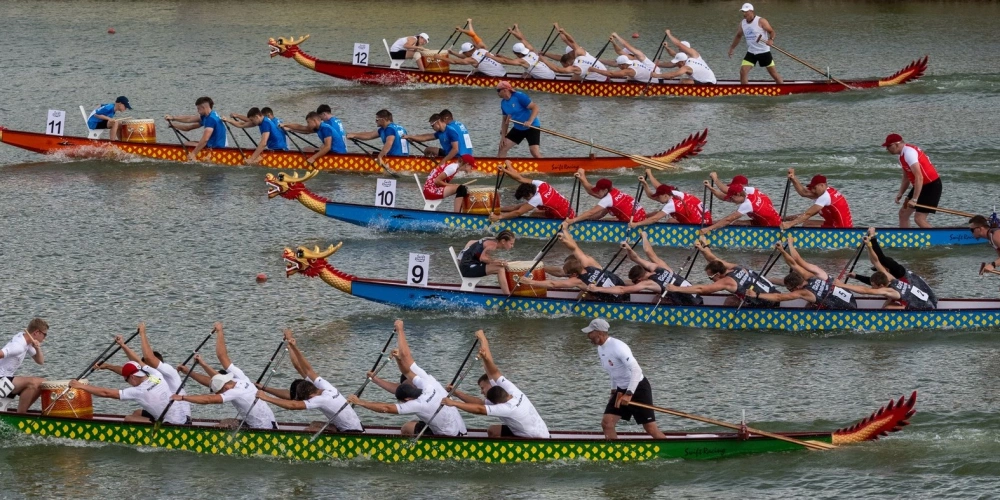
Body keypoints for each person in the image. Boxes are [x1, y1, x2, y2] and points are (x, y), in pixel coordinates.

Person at [348, 320, 467, 437]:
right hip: (462, 430)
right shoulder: (428, 384)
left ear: (408, 398)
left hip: (451, 436)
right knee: (413, 423)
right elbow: (406, 371)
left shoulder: (418, 404)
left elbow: (386, 408)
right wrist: (397, 360)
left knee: (406, 428)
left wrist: (360, 402)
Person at [442, 330, 549, 438]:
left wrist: (453, 403)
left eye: (482, 388)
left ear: (491, 386)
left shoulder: (508, 408)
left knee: (493, 430)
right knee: (493, 430)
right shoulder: (512, 392)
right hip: (530, 430)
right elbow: (493, 372)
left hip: (537, 439)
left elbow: (480, 408)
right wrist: (483, 340)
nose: (481, 391)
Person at [172, 322, 277, 429]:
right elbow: (222, 360)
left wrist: (182, 397)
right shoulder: (240, 378)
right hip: (271, 422)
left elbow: (208, 399)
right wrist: (194, 369)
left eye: (220, 392)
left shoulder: (234, 392)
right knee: (227, 421)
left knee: (221, 426)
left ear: (225, 388)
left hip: (264, 429)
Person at [255, 329, 363, 433]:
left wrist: (266, 398)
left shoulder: (321, 399)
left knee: (309, 431)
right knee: (315, 424)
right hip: (354, 426)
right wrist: (292, 346)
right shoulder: (324, 386)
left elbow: (293, 405)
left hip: (352, 432)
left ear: (310, 396)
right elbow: (303, 368)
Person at [582, 319, 665, 440]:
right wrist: (613, 391)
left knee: (650, 428)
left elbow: (637, 371)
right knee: (607, 423)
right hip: (621, 390)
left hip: (638, 388)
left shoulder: (618, 347)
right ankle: (614, 453)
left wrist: (629, 394)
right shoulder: (601, 349)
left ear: (599, 333)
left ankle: (673, 449)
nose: (588, 336)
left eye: (590, 333)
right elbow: (613, 371)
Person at [98, 323, 193, 421]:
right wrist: (110, 363)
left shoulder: (169, 372)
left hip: (180, 416)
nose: (142, 370)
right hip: (165, 411)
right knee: (137, 413)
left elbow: (148, 357)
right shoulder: (153, 376)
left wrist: (142, 333)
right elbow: (132, 371)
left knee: (129, 419)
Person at [521, 225, 629, 302]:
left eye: (567, 275)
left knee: (585, 293)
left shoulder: (578, 281)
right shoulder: (589, 263)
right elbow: (574, 248)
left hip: (616, 302)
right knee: (584, 292)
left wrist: (529, 282)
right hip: (624, 292)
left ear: (573, 275)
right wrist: (564, 233)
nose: (567, 277)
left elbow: (552, 284)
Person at [591, 231, 702, 305]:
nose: (635, 283)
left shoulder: (649, 283)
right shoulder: (659, 268)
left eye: (635, 282)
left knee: (657, 299)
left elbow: (622, 290)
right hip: (697, 297)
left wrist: (597, 289)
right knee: (660, 295)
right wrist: (638, 241)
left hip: (691, 304)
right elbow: (645, 254)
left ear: (639, 280)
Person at [746, 236, 857, 309]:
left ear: (798, 286)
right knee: (812, 303)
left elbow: (779, 297)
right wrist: (782, 250)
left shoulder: (804, 292)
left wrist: (757, 295)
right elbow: (793, 264)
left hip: (845, 309)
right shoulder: (811, 276)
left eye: (790, 289)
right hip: (850, 298)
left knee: (809, 306)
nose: (790, 291)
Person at [839, 228, 937, 310]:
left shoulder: (891, 287)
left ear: (881, 285)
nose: (872, 287)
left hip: (926, 308)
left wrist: (841, 285)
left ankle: (899, 311)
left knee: (888, 308)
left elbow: (865, 290)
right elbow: (876, 261)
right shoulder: (890, 278)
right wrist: (868, 246)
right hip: (927, 300)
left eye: (874, 286)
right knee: (889, 300)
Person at [667, 239, 779, 308]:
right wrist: (702, 249)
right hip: (775, 294)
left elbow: (702, 289)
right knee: (736, 296)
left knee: (730, 301)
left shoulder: (727, 281)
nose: (711, 280)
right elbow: (714, 259)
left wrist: (676, 289)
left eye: (711, 278)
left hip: (767, 303)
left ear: (718, 275)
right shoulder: (737, 268)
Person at [71, 360, 189, 424]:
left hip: (172, 425)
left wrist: (80, 386)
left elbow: (106, 393)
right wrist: (108, 366)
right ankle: (156, 421)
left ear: (132, 377)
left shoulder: (139, 391)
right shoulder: (156, 375)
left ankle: (154, 428)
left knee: (129, 418)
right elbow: (136, 361)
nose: (127, 383)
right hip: (183, 418)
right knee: (137, 413)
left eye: (126, 380)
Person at [883, 133, 942, 228]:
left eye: (889, 146)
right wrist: (900, 193)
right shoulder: (901, 155)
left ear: (896, 144)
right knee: (903, 214)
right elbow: (906, 177)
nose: (887, 149)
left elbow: (919, 177)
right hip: (921, 186)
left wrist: (914, 199)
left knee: (919, 218)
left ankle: (938, 240)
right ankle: (904, 240)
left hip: (931, 186)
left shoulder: (909, 153)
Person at [490, 161, 575, 221]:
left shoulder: (537, 198)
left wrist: (499, 217)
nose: (527, 200)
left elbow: (517, 212)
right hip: (569, 209)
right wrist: (506, 168)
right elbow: (520, 178)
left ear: (530, 194)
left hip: (564, 217)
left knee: (533, 214)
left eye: (526, 198)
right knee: (536, 212)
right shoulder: (542, 184)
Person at [727, 3, 783, 85]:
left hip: (763, 51)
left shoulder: (761, 21)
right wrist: (732, 48)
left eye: (746, 12)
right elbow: (738, 36)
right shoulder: (743, 23)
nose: (744, 14)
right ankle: (745, 92)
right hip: (751, 52)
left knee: (773, 74)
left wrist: (771, 39)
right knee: (743, 71)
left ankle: (783, 88)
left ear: (751, 11)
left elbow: (772, 31)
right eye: (743, 12)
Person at [564, 170, 646, 225]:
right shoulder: (615, 191)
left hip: (634, 221)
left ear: (605, 190)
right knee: (606, 218)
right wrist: (581, 178)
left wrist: (573, 221)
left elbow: (590, 212)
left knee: (606, 219)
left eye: (599, 190)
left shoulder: (607, 199)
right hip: (641, 215)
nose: (597, 192)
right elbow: (600, 213)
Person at [633, 169, 711, 227]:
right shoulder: (675, 193)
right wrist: (646, 181)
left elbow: (655, 219)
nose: (658, 199)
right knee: (670, 220)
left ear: (665, 195)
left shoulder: (671, 205)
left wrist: (636, 224)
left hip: (697, 227)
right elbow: (658, 188)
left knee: (666, 219)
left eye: (659, 197)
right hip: (706, 218)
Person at [0, 318, 47, 414]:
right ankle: (21, 415)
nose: (45, 338)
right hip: (1, 379)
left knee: (42, 383)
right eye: (44, 334)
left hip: (6, 379)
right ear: (36, 332)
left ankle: (22, 412)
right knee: (32, 383)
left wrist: (37, 348)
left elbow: (40, 361)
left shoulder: (26, 340)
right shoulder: (18, 346)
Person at [781, 170, 853, 229]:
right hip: (833, 223)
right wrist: (793, 178)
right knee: (807, 223)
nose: (812, 191)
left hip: (841, 229)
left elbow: (807, 214)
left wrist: (789, 224)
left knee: (807, 226)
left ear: (822, 185)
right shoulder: (824, 191)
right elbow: (804, 192)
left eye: (814, 188)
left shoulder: (825, 197)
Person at [699, 183, 780, 234]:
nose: (731, 200)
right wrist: (711, 188)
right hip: (767, 219)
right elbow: (723, 195)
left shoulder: (747, 204)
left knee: (733, 222)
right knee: (736, 222)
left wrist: (709, 229)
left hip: (771, 227)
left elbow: (728, 220)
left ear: (738, 194)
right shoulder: (750, 190)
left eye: (732, 198)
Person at [165, 96, 228, 162]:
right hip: (217, 144)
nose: (198, 111)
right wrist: (173, 119)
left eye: (198, 109)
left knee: (187, 144)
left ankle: (192, 158)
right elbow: (189, 122)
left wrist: (193, 154)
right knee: (188, 143)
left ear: (203, 108)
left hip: (216, 147)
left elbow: (205, 139)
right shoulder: (210, 115)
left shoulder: (211, 119)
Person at [541, 24, 608, 82]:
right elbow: (571, 41)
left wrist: (543, 60)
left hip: (601, 79)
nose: (564, 68)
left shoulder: (576, 66)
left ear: (568, 63)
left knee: (576, 75)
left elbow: (558, 69)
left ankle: (570, 86)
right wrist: (563, 31)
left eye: (564, 66)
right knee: (578, 74)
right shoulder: (581, 53)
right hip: (604, 73)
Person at [458, 230, 516, 294]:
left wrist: (498, 262)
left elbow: (471, 242)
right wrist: (499, 263)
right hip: (467, 269)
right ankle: (507, 295)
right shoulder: (493, 245)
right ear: (503, 241)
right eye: (511, 243)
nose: (512, 246)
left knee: (501, 267)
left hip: (468, 265)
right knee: (500, 269)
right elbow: (482, 258)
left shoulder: (491, 240)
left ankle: (507, 289)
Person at [223, 107, 288, 164]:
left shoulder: (265, 123)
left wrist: (251, 159)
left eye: (252, 120)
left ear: (257, 117)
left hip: (279, 151)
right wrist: (228, 120)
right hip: (276, 149)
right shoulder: (262, 121)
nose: (251, 121)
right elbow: (241, 124)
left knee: (252, 163)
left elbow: (263, 143)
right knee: (255, 162)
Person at [488, 25, 556, 80]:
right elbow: (522, 39)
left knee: (525, 75)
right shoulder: (531, 51)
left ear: (518, 54)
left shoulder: (523, 61)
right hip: (552, 75)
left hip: (548, 80)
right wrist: (514, 31)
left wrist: (490, 56)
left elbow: (505, 61)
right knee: (526, 74)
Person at [497, 81, 542, 158]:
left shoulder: (519, 96)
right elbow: (505, 120)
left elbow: (535, 108)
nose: (497, 93)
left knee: (534, 151)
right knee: (502, 147)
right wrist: (503, 137)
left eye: (498, 91)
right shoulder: (503, 103)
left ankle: (545, 167)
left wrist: (529, 121)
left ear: (505, 90)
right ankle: (500, 168)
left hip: (532, 126)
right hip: (518, 128)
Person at [437, 38, 507, 77]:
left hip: (499, 78)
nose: (463, 54)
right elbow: (464, 57)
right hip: (504, 74)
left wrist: (440, 57)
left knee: (475, 73)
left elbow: (455, 62)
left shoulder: (472, 59)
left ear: (467, 52)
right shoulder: (481, 50)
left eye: (463, 53)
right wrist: (452, 53)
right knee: (476, 70)